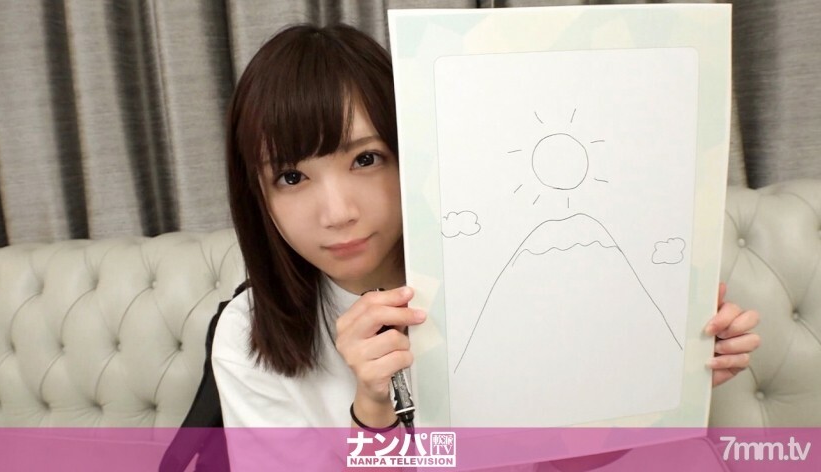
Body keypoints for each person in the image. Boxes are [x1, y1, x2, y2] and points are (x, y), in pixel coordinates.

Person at [212, 22, 761, 465]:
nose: (338, 213)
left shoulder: (507, 272)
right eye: (291, 177)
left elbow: (573, 452)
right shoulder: (246, 335)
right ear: (256, 194)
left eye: (366, 159)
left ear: (415, 154)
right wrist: (373, 415)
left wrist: (668, 371)